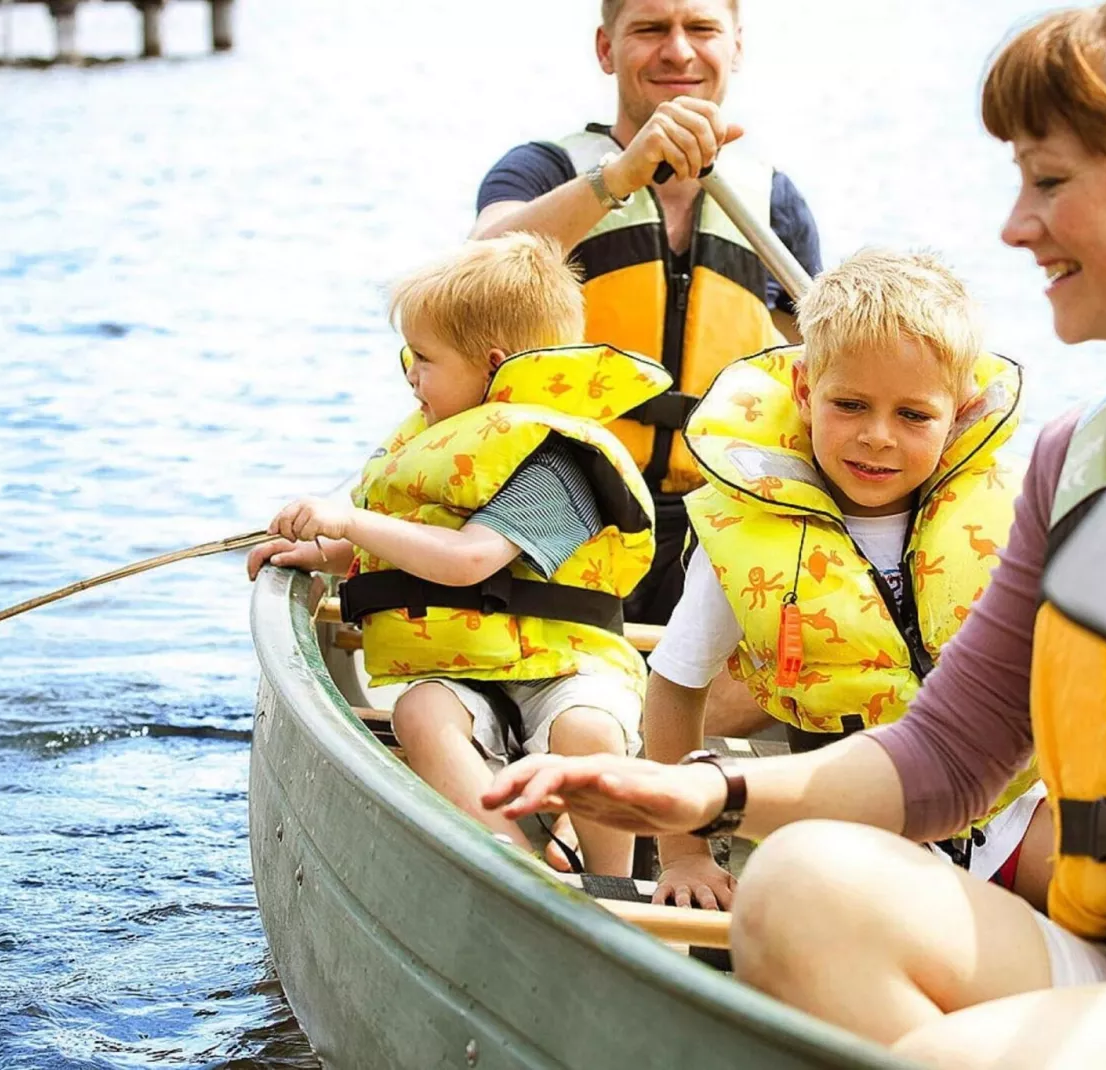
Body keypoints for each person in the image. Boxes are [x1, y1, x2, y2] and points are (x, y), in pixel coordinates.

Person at [482, 0, 1106, 1065]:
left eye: (1050, 181)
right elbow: (942, 756)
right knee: (800, 884)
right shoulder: (1078, 461)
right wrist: (701, 788)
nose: (1014, 225)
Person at [248, 233, 669, 877]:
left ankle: (612, 886)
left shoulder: (555, 464)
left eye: (423, 358)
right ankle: (514, 865)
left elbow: (468, 562)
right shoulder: (442, 446)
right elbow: (405, 554)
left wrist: (352, 521)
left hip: (565, 667)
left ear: (492, 364)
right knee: (422, 711)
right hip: (462, 668)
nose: (411, 375)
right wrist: (322, 551)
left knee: (587, 732)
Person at [643, 248, 1046, 911]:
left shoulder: (1010, 515)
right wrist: (685, 852)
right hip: (847, 822)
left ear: (963, 410)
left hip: (1002, 815)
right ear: (804, 392)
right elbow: (675, 688)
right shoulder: (752, 532)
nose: (878, 437)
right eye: (850, 405)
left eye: (914, 415)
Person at [470, 0, 823, 630]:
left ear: (736, 45)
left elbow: (824, 368)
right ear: (607, 49)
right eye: (651, 29)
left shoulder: (774, 198)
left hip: (714, 509)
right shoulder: (544, 170)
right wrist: (619, 177)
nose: (679, 51)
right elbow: (477, 269)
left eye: (703, 29)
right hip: (558, 494)